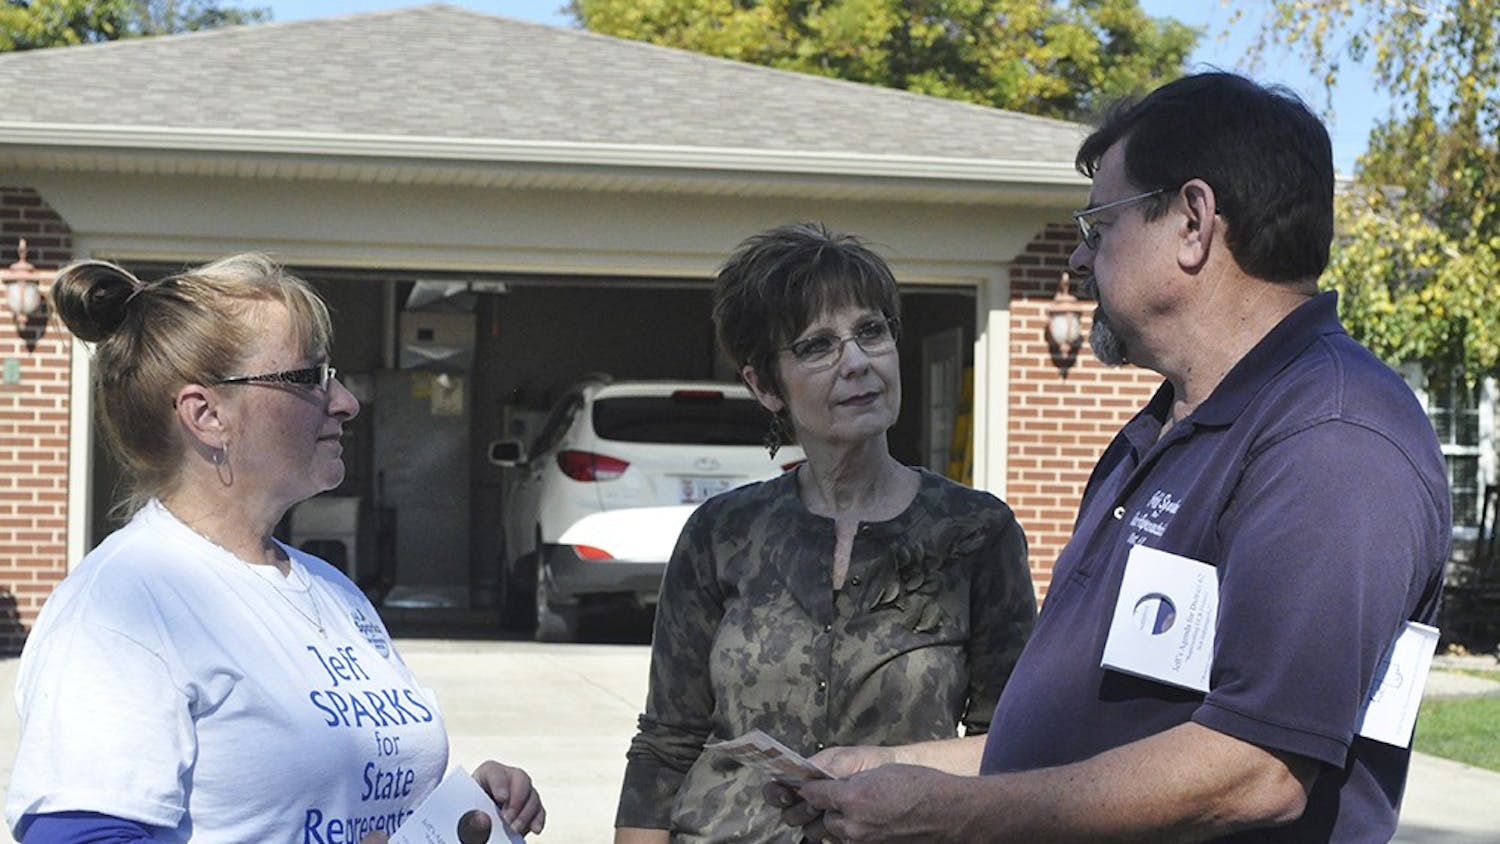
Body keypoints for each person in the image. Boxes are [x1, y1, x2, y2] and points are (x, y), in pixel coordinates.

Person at [769, 72, 1450, 842]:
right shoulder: (1163, 431)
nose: (1077, 262)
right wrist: (895, 768)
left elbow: (1258, 768)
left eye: (1099, 226)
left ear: (1192, 222)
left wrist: (951, 815)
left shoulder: (1333, 438)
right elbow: (1092, 740)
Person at [5, 255, 545, 843]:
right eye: (309, 378)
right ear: (207, 415)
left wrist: (456, 813)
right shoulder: (122, 606)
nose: (345, 401)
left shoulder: (330, 591)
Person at [612, 221, 1037, 843]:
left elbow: (1015, 748)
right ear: (764, 386)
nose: (858, 362)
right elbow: (665, 746)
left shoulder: (974, 533)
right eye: (817, 345)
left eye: (871, 331)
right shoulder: (722, 533)